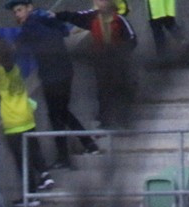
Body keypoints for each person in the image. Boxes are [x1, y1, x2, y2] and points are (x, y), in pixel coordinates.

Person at [7, 1, 101, 169]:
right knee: (62, 113)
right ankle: (88, 143)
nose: (17, 15)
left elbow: (18, 48)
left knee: (56, 115)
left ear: (29, 8)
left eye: (19, 10)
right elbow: (62, 32)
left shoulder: (32, 25)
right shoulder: (46, 20)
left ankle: (66, 157)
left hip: (53, 75)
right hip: (62, 72)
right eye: (15, 12)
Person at [0, 38, 53, 206]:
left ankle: (31, 195)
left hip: (13, 122)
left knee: (22, 160)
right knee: (33, 150)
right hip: (27, 116)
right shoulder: (15, 68)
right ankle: (45, 175)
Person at [55, 0, 138, 128]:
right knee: (103, 91)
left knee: (120, 90)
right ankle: (105, 121)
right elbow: (75, 16)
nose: (99, 2)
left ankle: (124, 121)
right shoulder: (92, 17)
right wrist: (56, 15)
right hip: (101, 63)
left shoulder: (119, 19)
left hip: (118, 64)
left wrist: (121, 54)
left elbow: (132, 38)